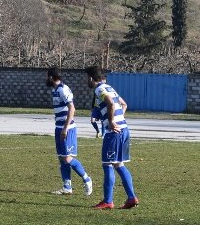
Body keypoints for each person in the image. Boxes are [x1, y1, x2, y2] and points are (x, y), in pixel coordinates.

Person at [85, 65, 139, 209]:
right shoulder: (109, 87)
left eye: (86, 79)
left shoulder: (99, 89)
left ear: (90, 78)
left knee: (108, 164)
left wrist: (112, 121)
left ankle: (108, 201)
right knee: (119, 164)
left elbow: (110, 102)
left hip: (114, 133)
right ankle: (131, 198)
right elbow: (123, 104)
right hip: (124, 130)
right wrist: (119, 118)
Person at [46, 68, 93, 196]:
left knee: (67, 158)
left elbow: (72, 108)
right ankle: (67, 187)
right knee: (62, 158)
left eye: (47, 76)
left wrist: (65, 128)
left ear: (51, 77)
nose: (46, 79)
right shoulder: (55, 90)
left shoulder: (62, 89)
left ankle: (87, 179)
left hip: (68, 129)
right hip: (58, 127)